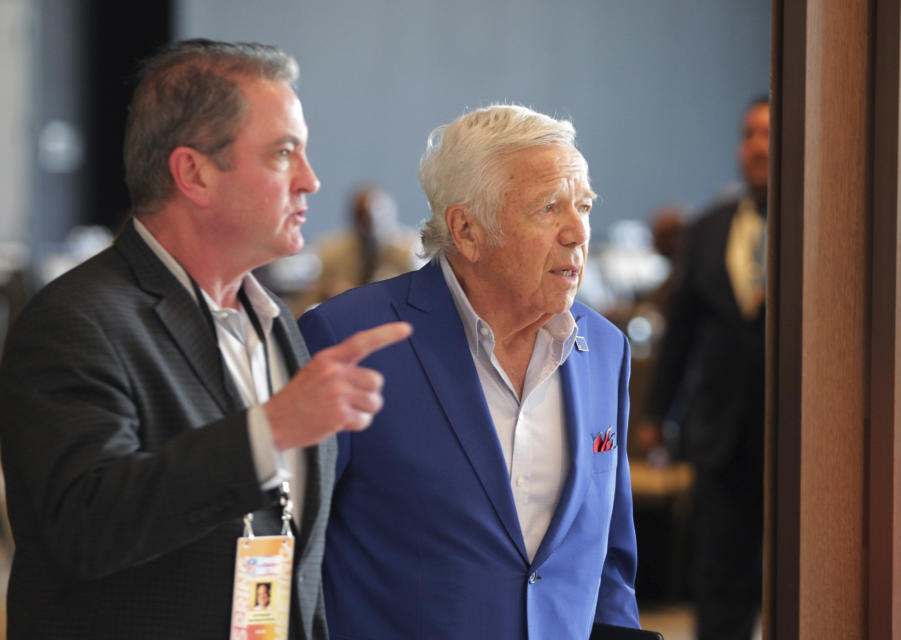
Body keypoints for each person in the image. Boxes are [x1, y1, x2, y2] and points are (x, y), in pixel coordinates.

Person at [0, 39, 410, 640]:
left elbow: (296, 562)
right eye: (283, 154)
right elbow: (81, 526)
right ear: (194, 173)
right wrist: (268, 433)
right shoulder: (77, 321)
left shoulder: (277, 328)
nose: (312, 181)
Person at [299, 105, 641, 639]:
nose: (578, 232)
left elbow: (611, 561)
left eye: (585, 205)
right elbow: (291, 554)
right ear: (467, 230)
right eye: (549, 208)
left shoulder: (605, 347)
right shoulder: (349, 340)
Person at [642, 96, 769, 640]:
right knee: (719, 571)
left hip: (793, 428)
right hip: (719, 428)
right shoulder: (709, 227)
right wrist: (655, 414)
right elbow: (682, 334)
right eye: (748, 134)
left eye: (768, 133)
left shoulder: (824, 224)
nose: (757, 146)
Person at [295, 184, 423, 310]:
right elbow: (310, 302)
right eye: (362, 217)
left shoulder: (409, 252)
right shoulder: (332, 251)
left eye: (374, 217)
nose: (368, 225)